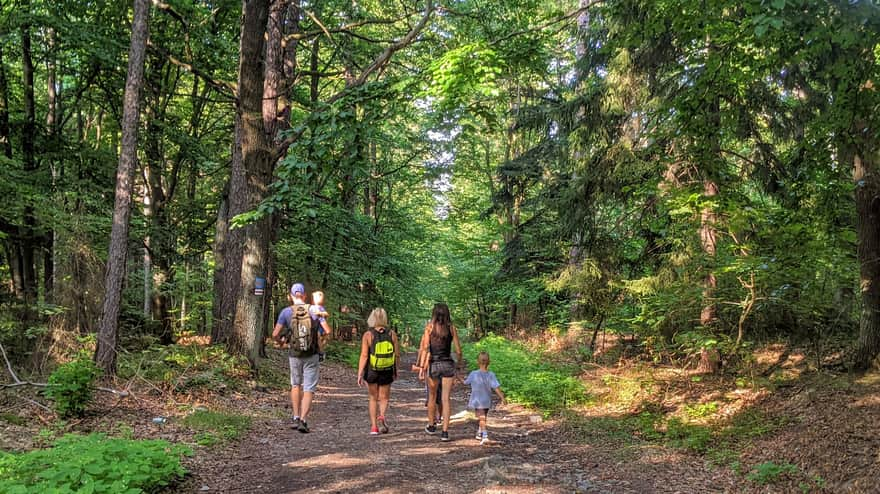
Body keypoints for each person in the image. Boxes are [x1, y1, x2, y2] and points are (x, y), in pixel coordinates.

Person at [272, 283, 329, 433]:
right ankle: (304, 420)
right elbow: (327, 330)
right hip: (312, 354)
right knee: (309, 388)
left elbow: (275, 334)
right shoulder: (315, 309)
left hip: (294, 354)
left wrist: (281, 343)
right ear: (304, 296)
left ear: (291, 296)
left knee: (295, 385)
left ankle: (296, 417)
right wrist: (320, 339)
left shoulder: (286, 312)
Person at [417, 303, 462, 442]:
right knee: (445, 399)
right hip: (448, 364)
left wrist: (422, 367)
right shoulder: (452, 328)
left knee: (431, 396)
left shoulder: (429, 328)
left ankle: (431, 426)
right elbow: (458, 351)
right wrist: (458, 366)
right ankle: (445, 432)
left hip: (434, 365)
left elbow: (425, 348)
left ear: (434, 314)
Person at [357, 308, 399, 435]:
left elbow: (364, 356)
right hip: (387, 369)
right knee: (384, 397)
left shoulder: (368, 335)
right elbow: (396, 355)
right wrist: (395, 370)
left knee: (373, 398)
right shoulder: (392, 334)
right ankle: (382, 415)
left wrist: (360, 373)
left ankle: (374, 427)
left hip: (372, 370)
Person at [463, 351, 506, 445]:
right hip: (486, 400)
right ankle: (479, 432)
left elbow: (465, 382)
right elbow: (496, 387)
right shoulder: (491, 374)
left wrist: (457, 377)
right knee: (483, 417)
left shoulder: (473, 374)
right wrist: (502, 397)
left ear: (477, 362)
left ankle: (485, 435)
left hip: (477, 400)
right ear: (489, 362)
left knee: (482, 418)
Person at [311, 290, 331, 361]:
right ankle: (320, 351)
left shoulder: (320, 308)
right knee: (318, 336)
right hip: (315, 326)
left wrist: (320, 313)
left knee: (322, 337)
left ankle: (321, 351)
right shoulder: (311, 307)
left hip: (321, 326)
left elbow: (326, 314)